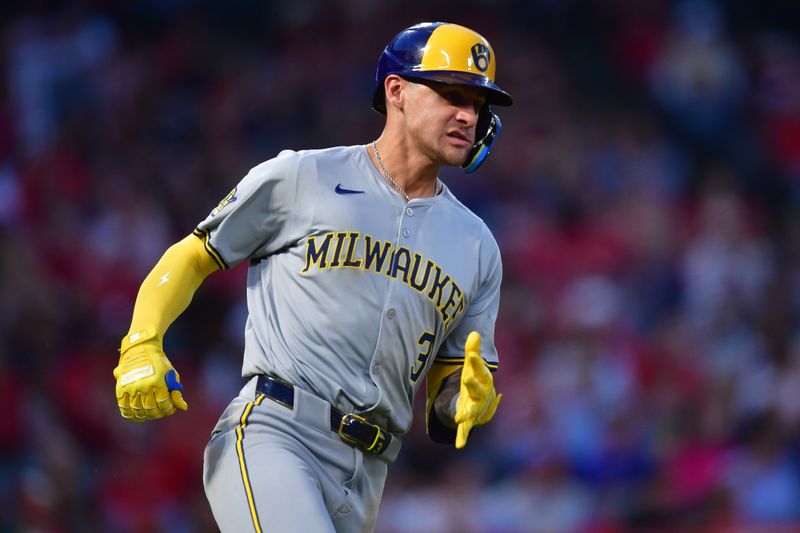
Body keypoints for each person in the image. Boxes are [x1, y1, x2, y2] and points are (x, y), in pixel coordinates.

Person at [113, 21, 513, 532]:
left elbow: (447, 391)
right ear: (397, 91)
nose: (468, 115)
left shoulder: (477, 244)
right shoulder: (304, 176)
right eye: (451, 94)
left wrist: (465, 402)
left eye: (478, 104)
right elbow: (194, 255)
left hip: (368, 474)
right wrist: (141, 342)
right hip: (277, 433)